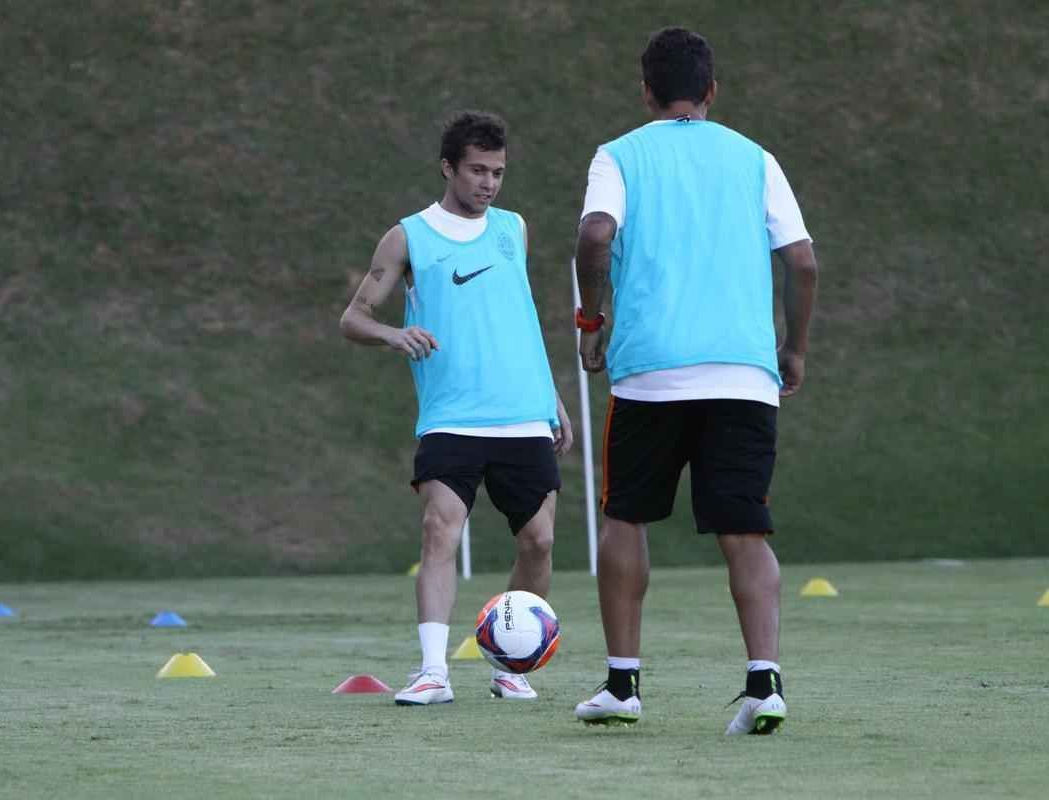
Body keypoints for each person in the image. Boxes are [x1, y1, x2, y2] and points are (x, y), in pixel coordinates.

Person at [570, 28, 818, 734]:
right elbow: (801, 261)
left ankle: (623, 685)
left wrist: (593, 321)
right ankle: (764, 682)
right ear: (711, 91)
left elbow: (594, 235)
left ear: (646, 92)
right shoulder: (755, 158)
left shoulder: (620, 155)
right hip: (743, 371)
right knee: (745, 527)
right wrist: (793, 349)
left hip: (652, 370)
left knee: (625, 518)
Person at [340, 110, 573, 706]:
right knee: (440, 531)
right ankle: (432, 672)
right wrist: (395, 335)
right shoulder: (408, 236)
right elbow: (354, 318)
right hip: (451, 416)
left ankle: (510, 668)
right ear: (448, 167)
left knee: (539, 543)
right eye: (476, 170)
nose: (488, 183)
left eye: (497, 172)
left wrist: (553, 399)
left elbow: (520, 318)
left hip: (524, 411)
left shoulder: (514, 229)